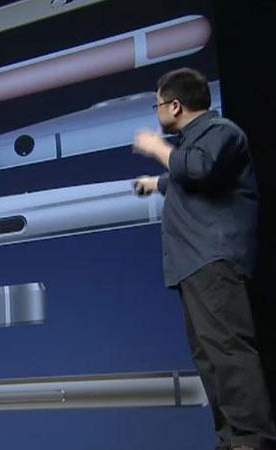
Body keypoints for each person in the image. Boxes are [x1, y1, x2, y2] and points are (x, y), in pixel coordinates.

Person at [131, 67, 276, 450]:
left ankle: (252, 440)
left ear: (175, 106)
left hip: (213, 260)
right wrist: (154, 183)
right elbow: (185, 174)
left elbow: (199, 168)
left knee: (227, 350)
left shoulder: (219, 131)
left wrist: (156, 147)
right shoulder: (194, 144)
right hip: (194, 264)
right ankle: (231, 439)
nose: (157, 112)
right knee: (209, 356)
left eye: (158, 104)